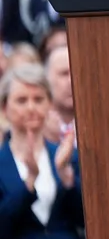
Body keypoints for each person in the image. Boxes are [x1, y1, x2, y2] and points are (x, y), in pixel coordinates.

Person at [0, 63, 82, 239]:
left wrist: (66, 176)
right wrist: (29, 182)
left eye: (38, 99)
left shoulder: (66, 155)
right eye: (21, 100)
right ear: (4, 108)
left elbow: (86, 218)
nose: (31, 108)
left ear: (49, 104)